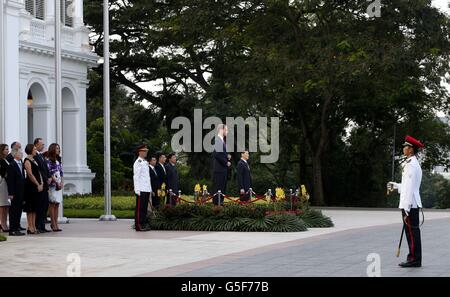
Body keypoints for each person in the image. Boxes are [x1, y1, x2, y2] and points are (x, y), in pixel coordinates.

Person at [388, 135, 424, 268]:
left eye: (406, 147)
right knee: (411, 232)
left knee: (412, 233)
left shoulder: (412, 165)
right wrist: (396, 185)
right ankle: (413, 257)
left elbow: (410, 188)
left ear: (411, 150)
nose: (403, 149)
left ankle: (414, 259)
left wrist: (407, 208)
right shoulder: (409, 163)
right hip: (409, 203)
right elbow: (406, 185)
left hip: (410, 204)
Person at [23, 144, 44, 235]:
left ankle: (34, 226)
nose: (36, 150)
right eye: (34, 149)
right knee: (30, 207)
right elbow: (30, 174)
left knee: (35, 207)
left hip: (37, 185)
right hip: (30, 186)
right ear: (30, 150)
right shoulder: (27, 160)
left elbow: (38, 172)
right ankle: (30, 226)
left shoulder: (34, 160)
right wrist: (37, 184)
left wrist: (42, 183)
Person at [6, 149, 26, 236]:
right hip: (14, 192)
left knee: (19, 210)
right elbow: (10, 181)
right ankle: (12, 229)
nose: (22, 154)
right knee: (14, 211)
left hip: (21, 191)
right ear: (15, 155)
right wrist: (10, 193)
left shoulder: (20, 164)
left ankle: (17, 227)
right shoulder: (12, 165)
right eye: (20, 153)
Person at [34, 138, 51, 233]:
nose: (43, 146)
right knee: (40, 206)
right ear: (36, 145)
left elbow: (45, 168)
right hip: (41, 183)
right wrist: (45, 178)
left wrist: (49, 177)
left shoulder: (41, 155)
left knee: (45, 205)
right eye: (42, 144)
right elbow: (39, 170)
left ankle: (42, 225)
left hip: (45, 184)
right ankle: (38, 225)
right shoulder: (35, 156)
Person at [133, 145, 152, 231]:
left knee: (144, 208)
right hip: (141, 189)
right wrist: (137, 189)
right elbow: (136, 176)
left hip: (146, 189)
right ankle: (138, 225)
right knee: (139, 208)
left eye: (146, 151)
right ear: (140, 152)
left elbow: (147, 177)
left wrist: (150, 189)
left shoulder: (144, 162)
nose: (146, 152)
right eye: (144, 151)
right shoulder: (138, 162)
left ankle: (143, 223)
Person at [212, 124, 231, 205]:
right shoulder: (218, 140)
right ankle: (217, 205)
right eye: (226, 130)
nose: (227, 131)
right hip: (219, 169)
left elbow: (221, 153)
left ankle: (220, 204)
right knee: (218, 188)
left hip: (222, 169)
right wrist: (226, 162)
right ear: (221, 130)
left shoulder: (222, 140)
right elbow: (216, 154)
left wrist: (227, 156)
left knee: (222, 188)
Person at [46, 143, 64, 232]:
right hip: (53, 185)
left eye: (59, 148)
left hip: (59, 183)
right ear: (52, 149)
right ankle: (53, 223)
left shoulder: (59, 160)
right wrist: (56, 182)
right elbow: (49, 172)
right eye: (57, 148)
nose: (58, 150)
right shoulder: (49, 160)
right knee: (52, 204)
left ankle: (56, 223)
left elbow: (61, 172)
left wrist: (62, 182)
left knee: (57, 204)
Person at [0, 144, 11, 232]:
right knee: (3, 205)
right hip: (2, 183)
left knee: (6, 205)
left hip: (7, 183)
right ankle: (2, 223)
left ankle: (4, 222)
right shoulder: (1, 160)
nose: (8, 151)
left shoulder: (5, 160)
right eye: (6, 149)